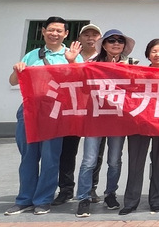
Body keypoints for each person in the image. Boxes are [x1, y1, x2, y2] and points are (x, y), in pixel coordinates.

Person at [5, 16, 83, 216]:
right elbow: (13, 81)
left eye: (59, 31)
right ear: (43, 31)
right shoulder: (32, 55)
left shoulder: (72, 55)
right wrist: (17, 69)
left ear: (66, 34)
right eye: (51, 30)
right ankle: (24, 200)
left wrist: (72, 61)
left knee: (50, 158)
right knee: (28, 157)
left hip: (55, 112)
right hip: (30, 111)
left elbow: (81, 82)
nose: (54, 34)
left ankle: (43, 200)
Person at [75, 29, 134, 217]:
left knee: (114, 161)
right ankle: (84, 198)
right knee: (89, 160)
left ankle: (110, 194)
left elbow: (138, 89)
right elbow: (78, 83)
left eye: (120, 41)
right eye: (111, 40)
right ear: (104, 45)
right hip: (95, 118)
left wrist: (127, 72)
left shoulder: (132, 65)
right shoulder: (93, 64)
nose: (116, 43)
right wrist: (71, 62)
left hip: (118, 119)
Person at [120, 39, 159, 215]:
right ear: (148, 54)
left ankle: (156, 200)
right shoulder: (139, 73)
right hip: (140, 123)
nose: (158, 54)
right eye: (154, 51)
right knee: (135, 163)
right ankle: (130, 202)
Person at [52, 24, 101, 207]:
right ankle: (65, 189)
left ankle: (91, 188)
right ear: (79, 38)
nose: (90, 38)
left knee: (95, 153)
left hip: (96, 110)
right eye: (86, 34)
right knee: (67, 150)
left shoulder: (103, 58)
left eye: (94, 35)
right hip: (72, 109)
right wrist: (71, 61)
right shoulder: (67, 55)